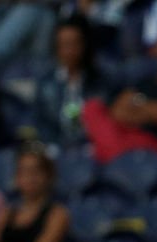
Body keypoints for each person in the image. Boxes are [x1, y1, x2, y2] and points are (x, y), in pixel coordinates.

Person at [83, 20, 157, 162]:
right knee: (92, 108)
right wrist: (156, 110)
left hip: (154, 143)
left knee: (101, 149)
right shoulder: (147, 80)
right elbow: (118, 112)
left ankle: (109, 158)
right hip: (126, 134)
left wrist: (139, 106)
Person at [0, 143, 70, 242]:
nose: (30, 177)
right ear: (17, 178)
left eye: (35, 171)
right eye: (24, 171)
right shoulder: (7, 213)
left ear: (48, 176)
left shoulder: (58, 213)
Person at [35, 16, 110, 148]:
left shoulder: (100, 82)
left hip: (92, 147)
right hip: (56, 148)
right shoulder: (45, 84)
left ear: (84, 45)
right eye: (63, 45)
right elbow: (41, 123)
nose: (69, 51)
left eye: (74, 44)